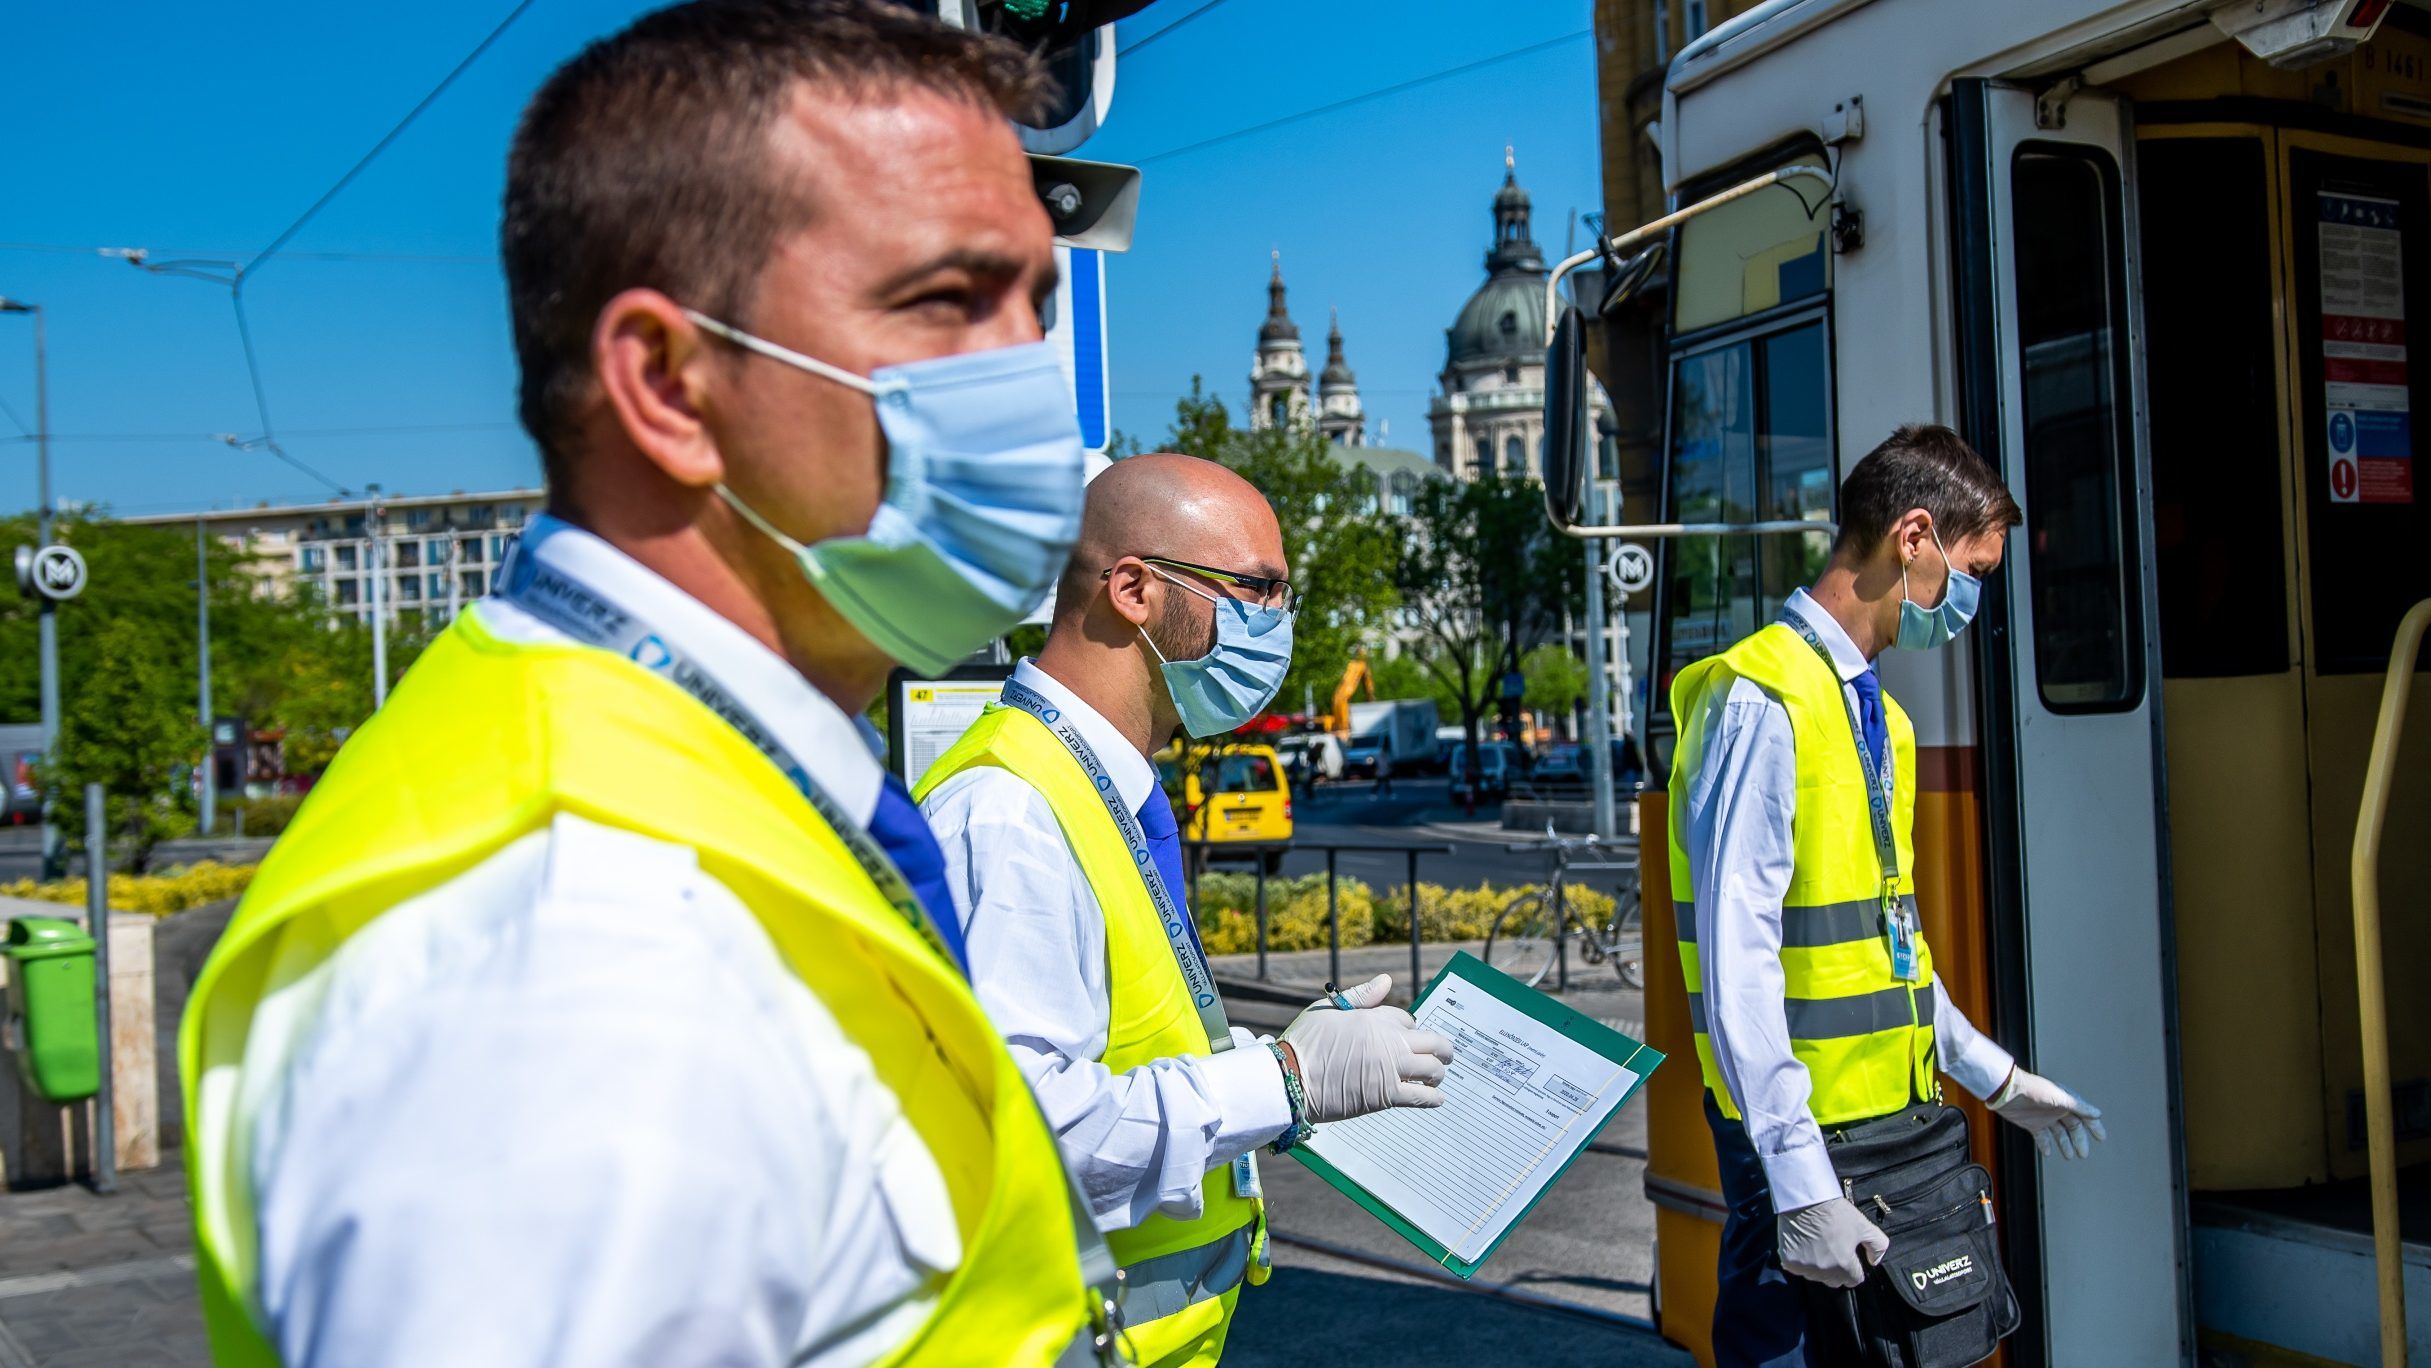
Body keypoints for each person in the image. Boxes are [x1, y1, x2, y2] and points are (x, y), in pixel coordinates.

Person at [179, 4, 1118, 1363]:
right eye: (942, 300)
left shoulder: (682, 785)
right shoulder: (576, 975)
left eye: (1032, 300)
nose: (1027, 375)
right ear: (668, 387)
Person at [917, 454, 1455, 1367]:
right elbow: (1023, 1137)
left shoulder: (1090, 787)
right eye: (1257, 590)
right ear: (1131, 588)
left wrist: (1266, 1053)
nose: (1278, 624)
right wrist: (1283, 1079)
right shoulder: (1010, 810)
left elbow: (1119, 1049)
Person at [1667, 425, 2108, 1367]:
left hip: (1881, 1128)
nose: (1971, 601)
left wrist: (1995, 1077)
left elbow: (1889, 943)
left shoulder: (1881, 719)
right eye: (1972, 569)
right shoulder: (1760, 701)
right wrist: (1795, 1181)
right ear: (1912, 537)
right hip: (1795, 1140)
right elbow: (1734, 962)